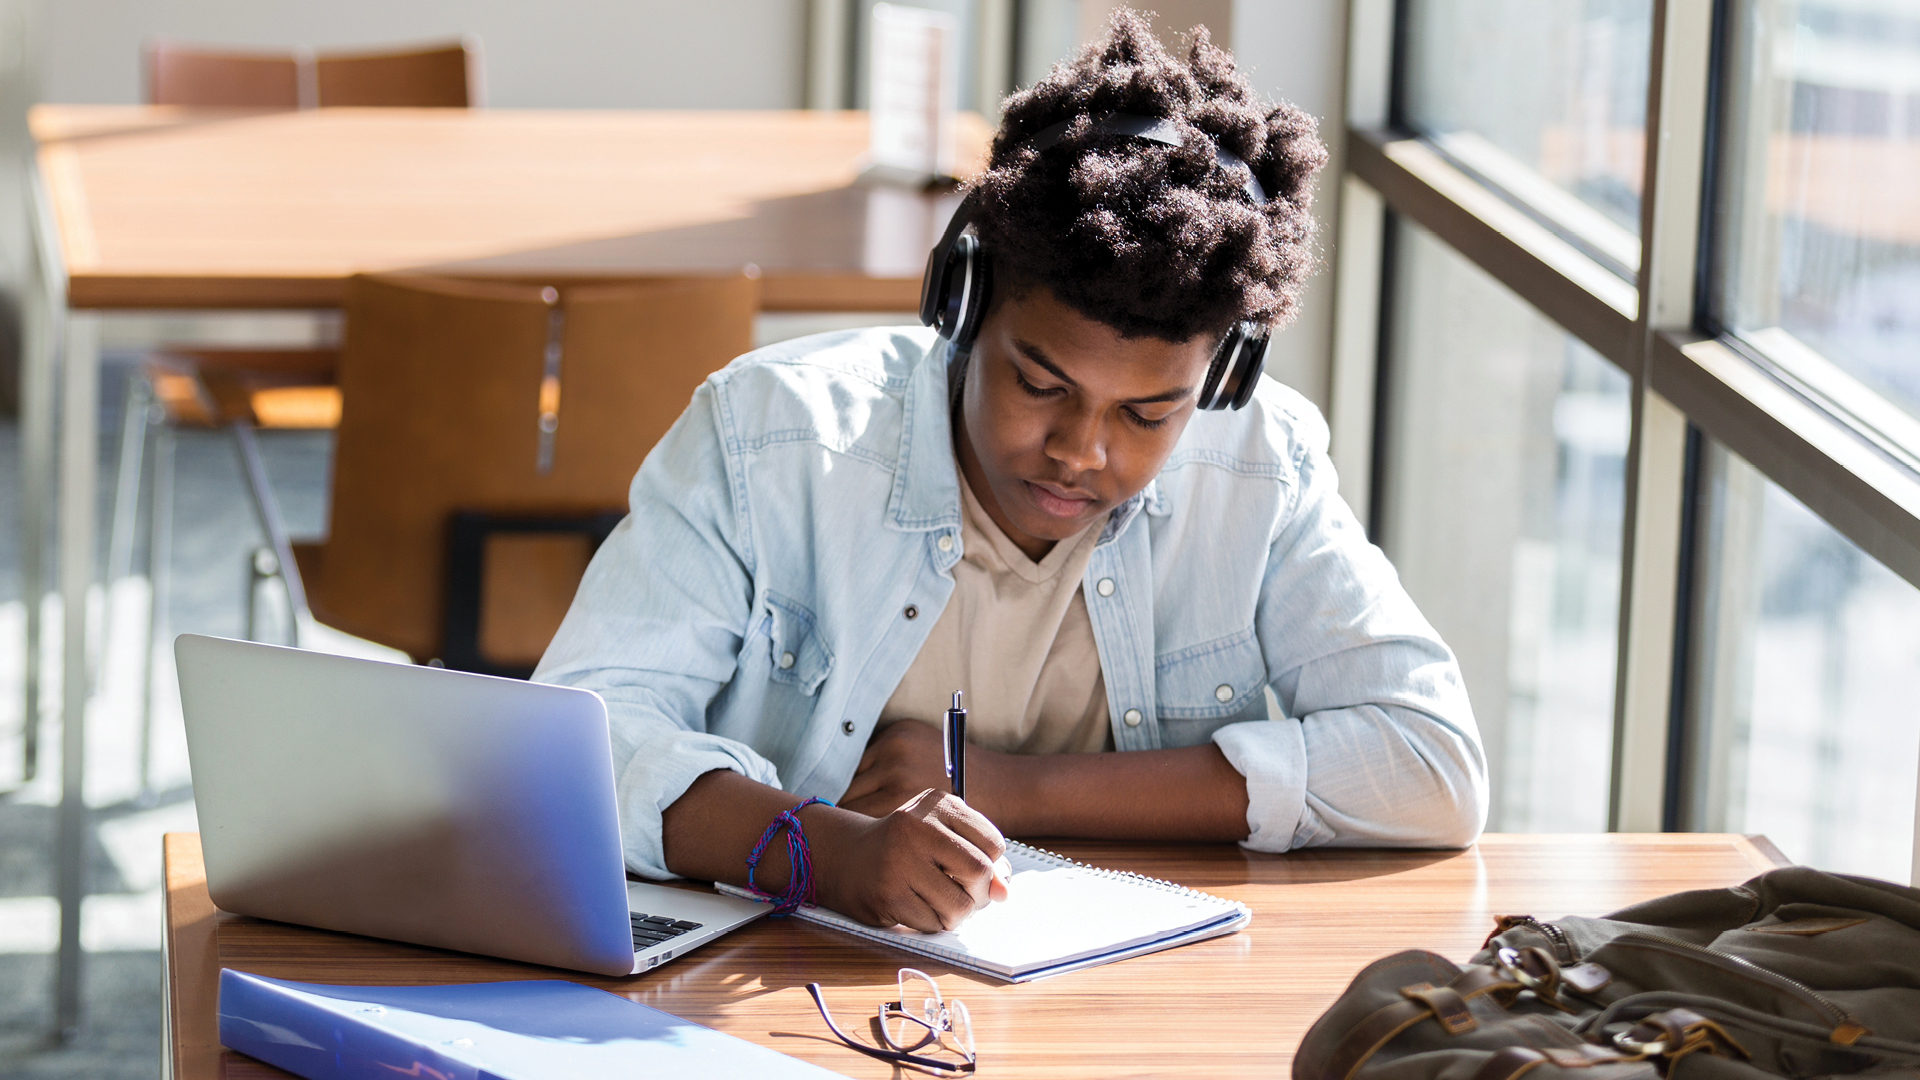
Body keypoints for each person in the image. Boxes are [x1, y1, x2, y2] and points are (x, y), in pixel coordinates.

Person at [535, 12, 1487, 934]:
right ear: (963, 304)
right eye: (1039, 383)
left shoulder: (1258, 467)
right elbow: (581, 744)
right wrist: (828, 855)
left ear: (1221, 378)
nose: (1080, 450)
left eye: (1149, 414)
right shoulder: (769, 435)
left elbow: (1429, 763)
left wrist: (1013, 787)